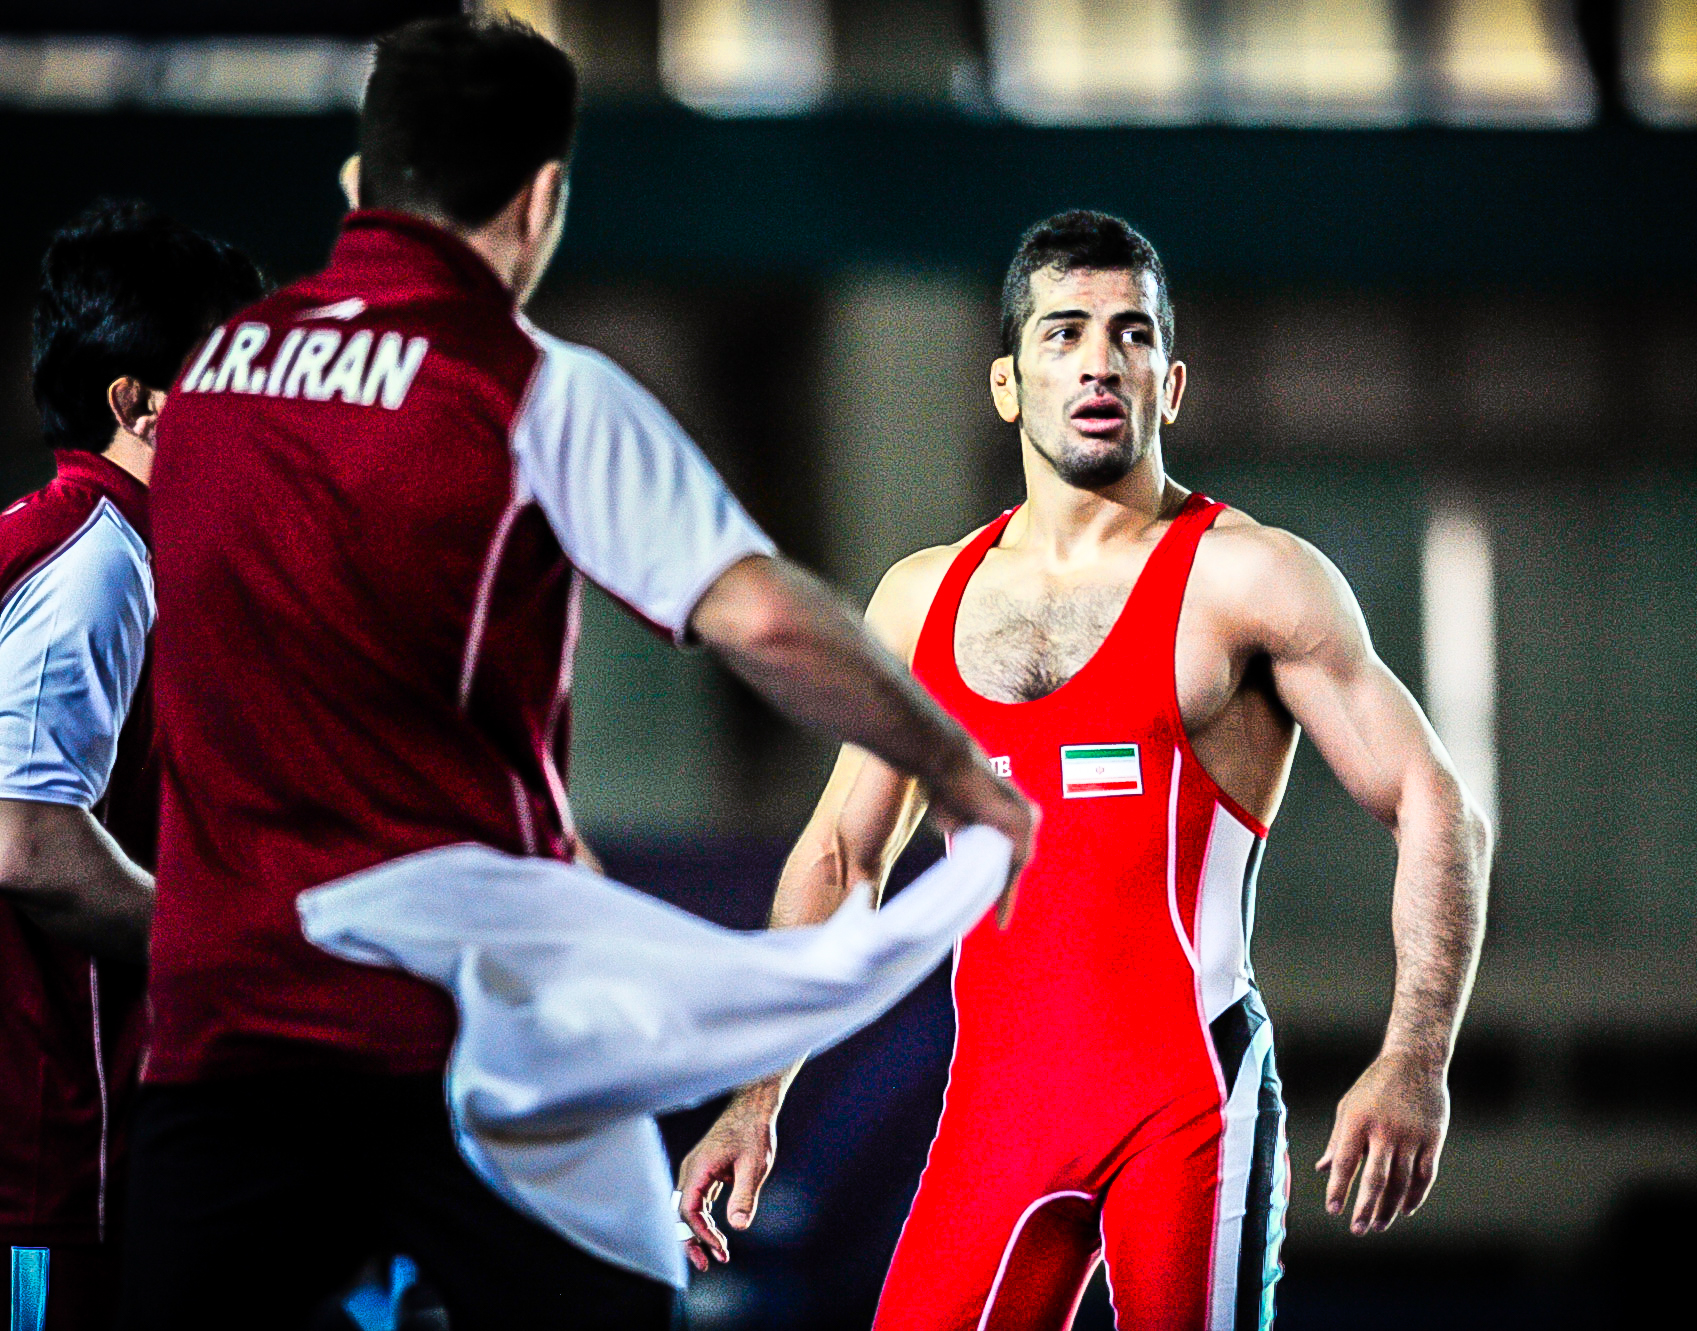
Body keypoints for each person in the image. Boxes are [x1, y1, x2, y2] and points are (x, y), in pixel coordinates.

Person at [121, 16, 1030, 1330]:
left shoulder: (201, 383)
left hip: (218, 1040)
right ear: (543, 197)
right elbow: (765, 619)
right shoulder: (531, 388)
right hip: (456, 1043)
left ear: (356, 185)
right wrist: (957, 771)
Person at [677, 210, 1494, 1328]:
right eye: (1062, 332)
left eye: (1130, 333)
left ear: (1171, 380)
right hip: (994, 1112)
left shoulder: (1248, 578)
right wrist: (752, 1098)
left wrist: (1413, 1058)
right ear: (1008, 383)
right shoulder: (921, 599)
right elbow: (838, 853)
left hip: (1185, 1105)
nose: (1099, 360)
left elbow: (1433, 801)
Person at [0, 202, 262, 1331]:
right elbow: (33, 843)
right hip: (39, 1156)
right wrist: (234, 953)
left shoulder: (96, 548)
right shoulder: (99, 566)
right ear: (137, 401)